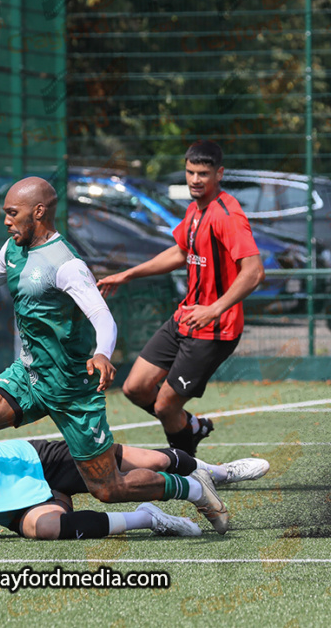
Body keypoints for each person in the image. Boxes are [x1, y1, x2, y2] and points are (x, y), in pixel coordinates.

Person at [0, 177, 231, 542]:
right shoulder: (12, 250)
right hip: (28, 376)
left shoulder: (67, 265)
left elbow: (102, 317)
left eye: (13, 213)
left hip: (72, 388)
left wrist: (103, 353)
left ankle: (193, 489)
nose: (7, 221)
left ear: (39, 212)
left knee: (108, 489)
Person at [97, 141, 265, 455]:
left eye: (203, 173)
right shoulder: (194, 209)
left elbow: (254, 271)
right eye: (190, 172)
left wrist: (214, 309)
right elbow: (180, 252)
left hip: (215, 330)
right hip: (185, 318)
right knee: (135, 388)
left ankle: (189, 472)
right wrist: (127, 274)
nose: (195, 180)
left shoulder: (227, 215)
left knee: (164, 407)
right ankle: (192, 426)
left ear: (219, 174)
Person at [0, 431, 270, 544]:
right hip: (15, 511)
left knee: (148, 461)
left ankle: (217, 472)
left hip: (37, 462)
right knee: (48, 528)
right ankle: (150, 518)